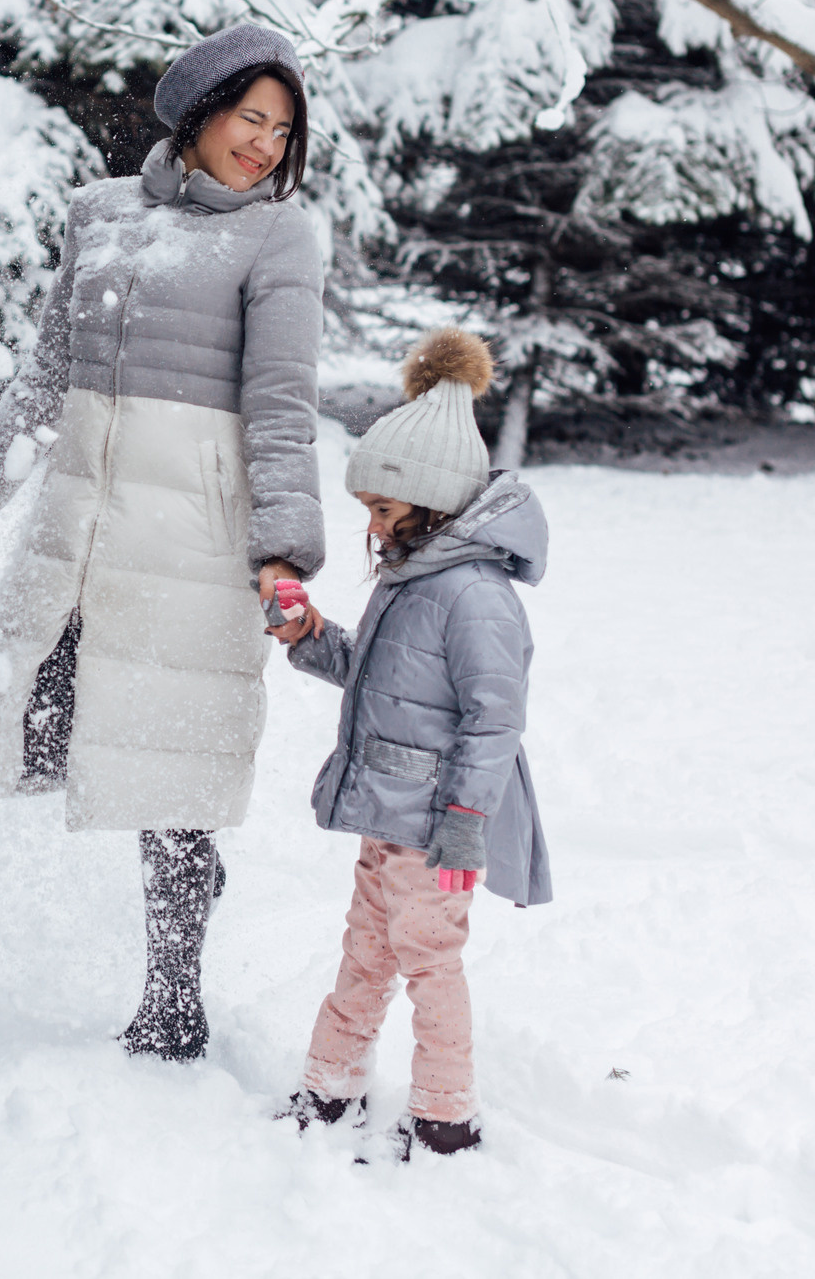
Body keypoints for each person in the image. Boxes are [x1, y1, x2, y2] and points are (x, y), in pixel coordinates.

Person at [0, 21, 326, 1061]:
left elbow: (282, 406)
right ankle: (153, 899)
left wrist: (283, 551)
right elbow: (50, 371)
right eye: (251, 119)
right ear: (199, 111)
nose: (265, 145)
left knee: (176, 769)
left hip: (193, 544)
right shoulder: (99, 213)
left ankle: (173, 999)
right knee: (38, 719)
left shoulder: (277, 239)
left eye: (281, 131)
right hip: (82, 531)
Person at [266, 327, 554, 1161]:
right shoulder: (414, 576)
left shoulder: (476, 597)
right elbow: (380, 678)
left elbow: (494, 721)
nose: (372, 524)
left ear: (431, 499)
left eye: (383, 509)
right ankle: (330, 1089)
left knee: (430, 967)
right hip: (387, 820)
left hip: (436, 830)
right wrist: (311, 636)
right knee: (364, 954)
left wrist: (466, 822)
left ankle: (445, 1119)